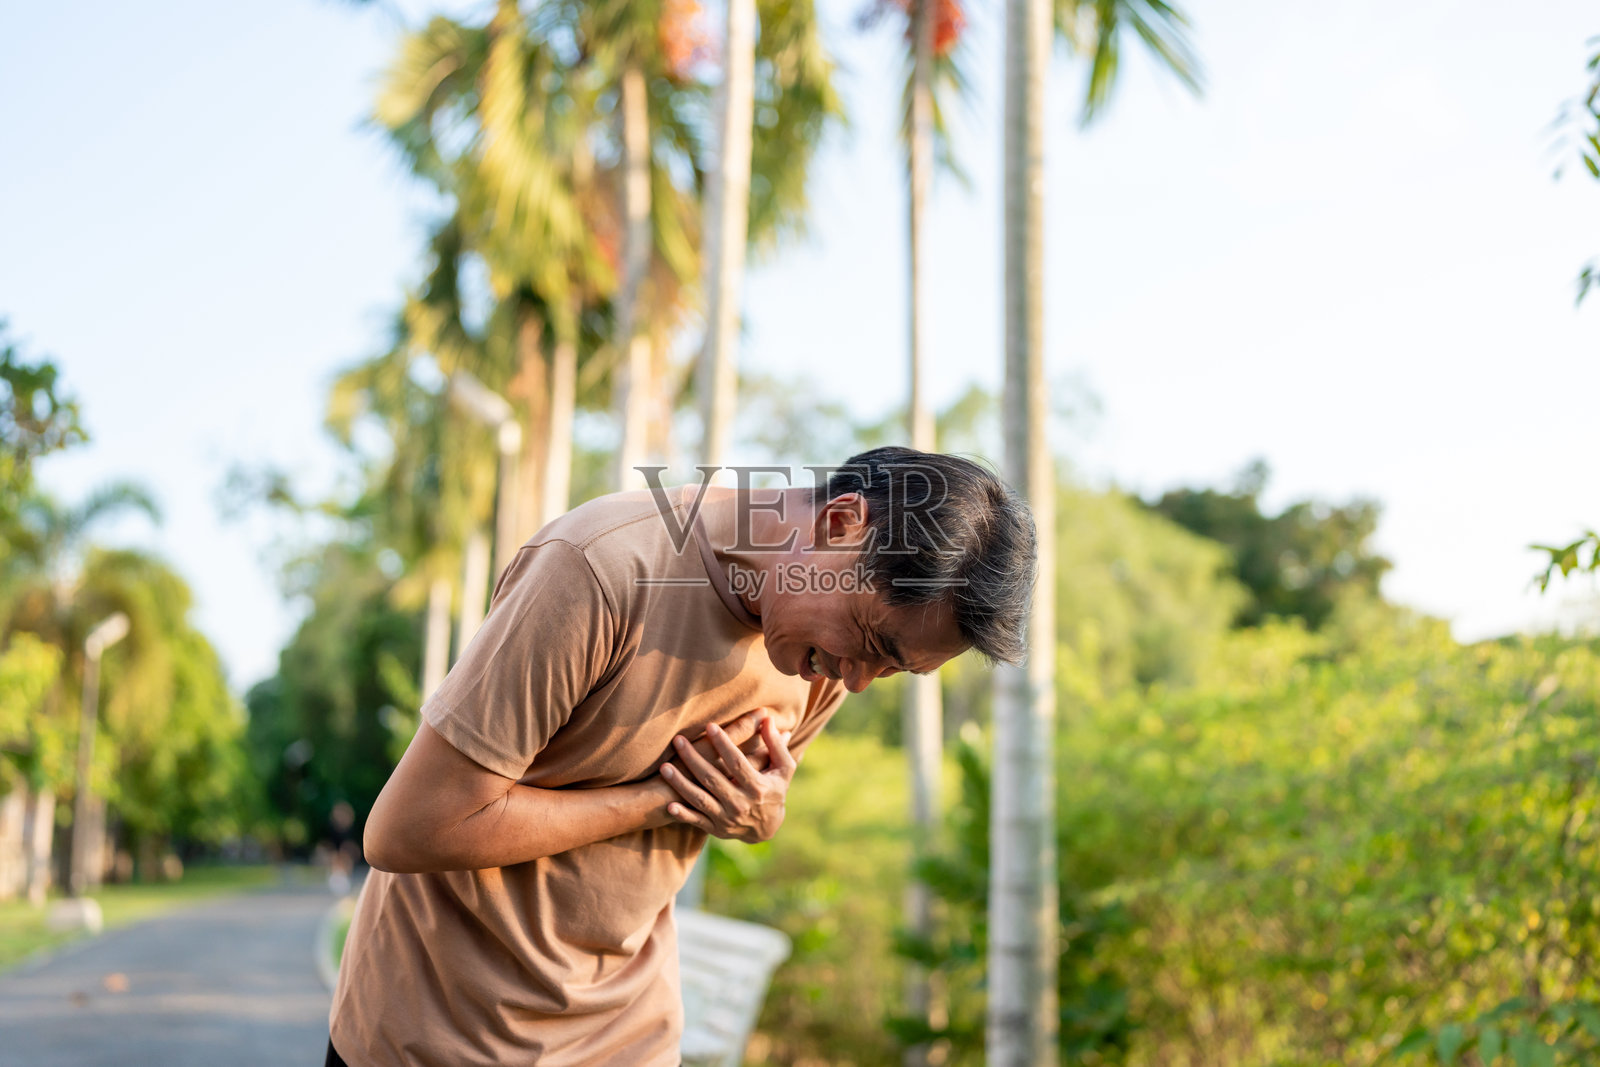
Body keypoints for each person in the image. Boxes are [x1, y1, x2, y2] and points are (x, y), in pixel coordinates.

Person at [326, 446, 1035, 1066]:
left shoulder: (826, 656)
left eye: (894, 670)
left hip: (625, 1036)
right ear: (840, 524)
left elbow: (751, 802)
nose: (855, 682)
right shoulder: (601, 569)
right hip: (434, 1035)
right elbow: (406, 829)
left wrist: (760, 816)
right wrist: (657, 798)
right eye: (875, 647)